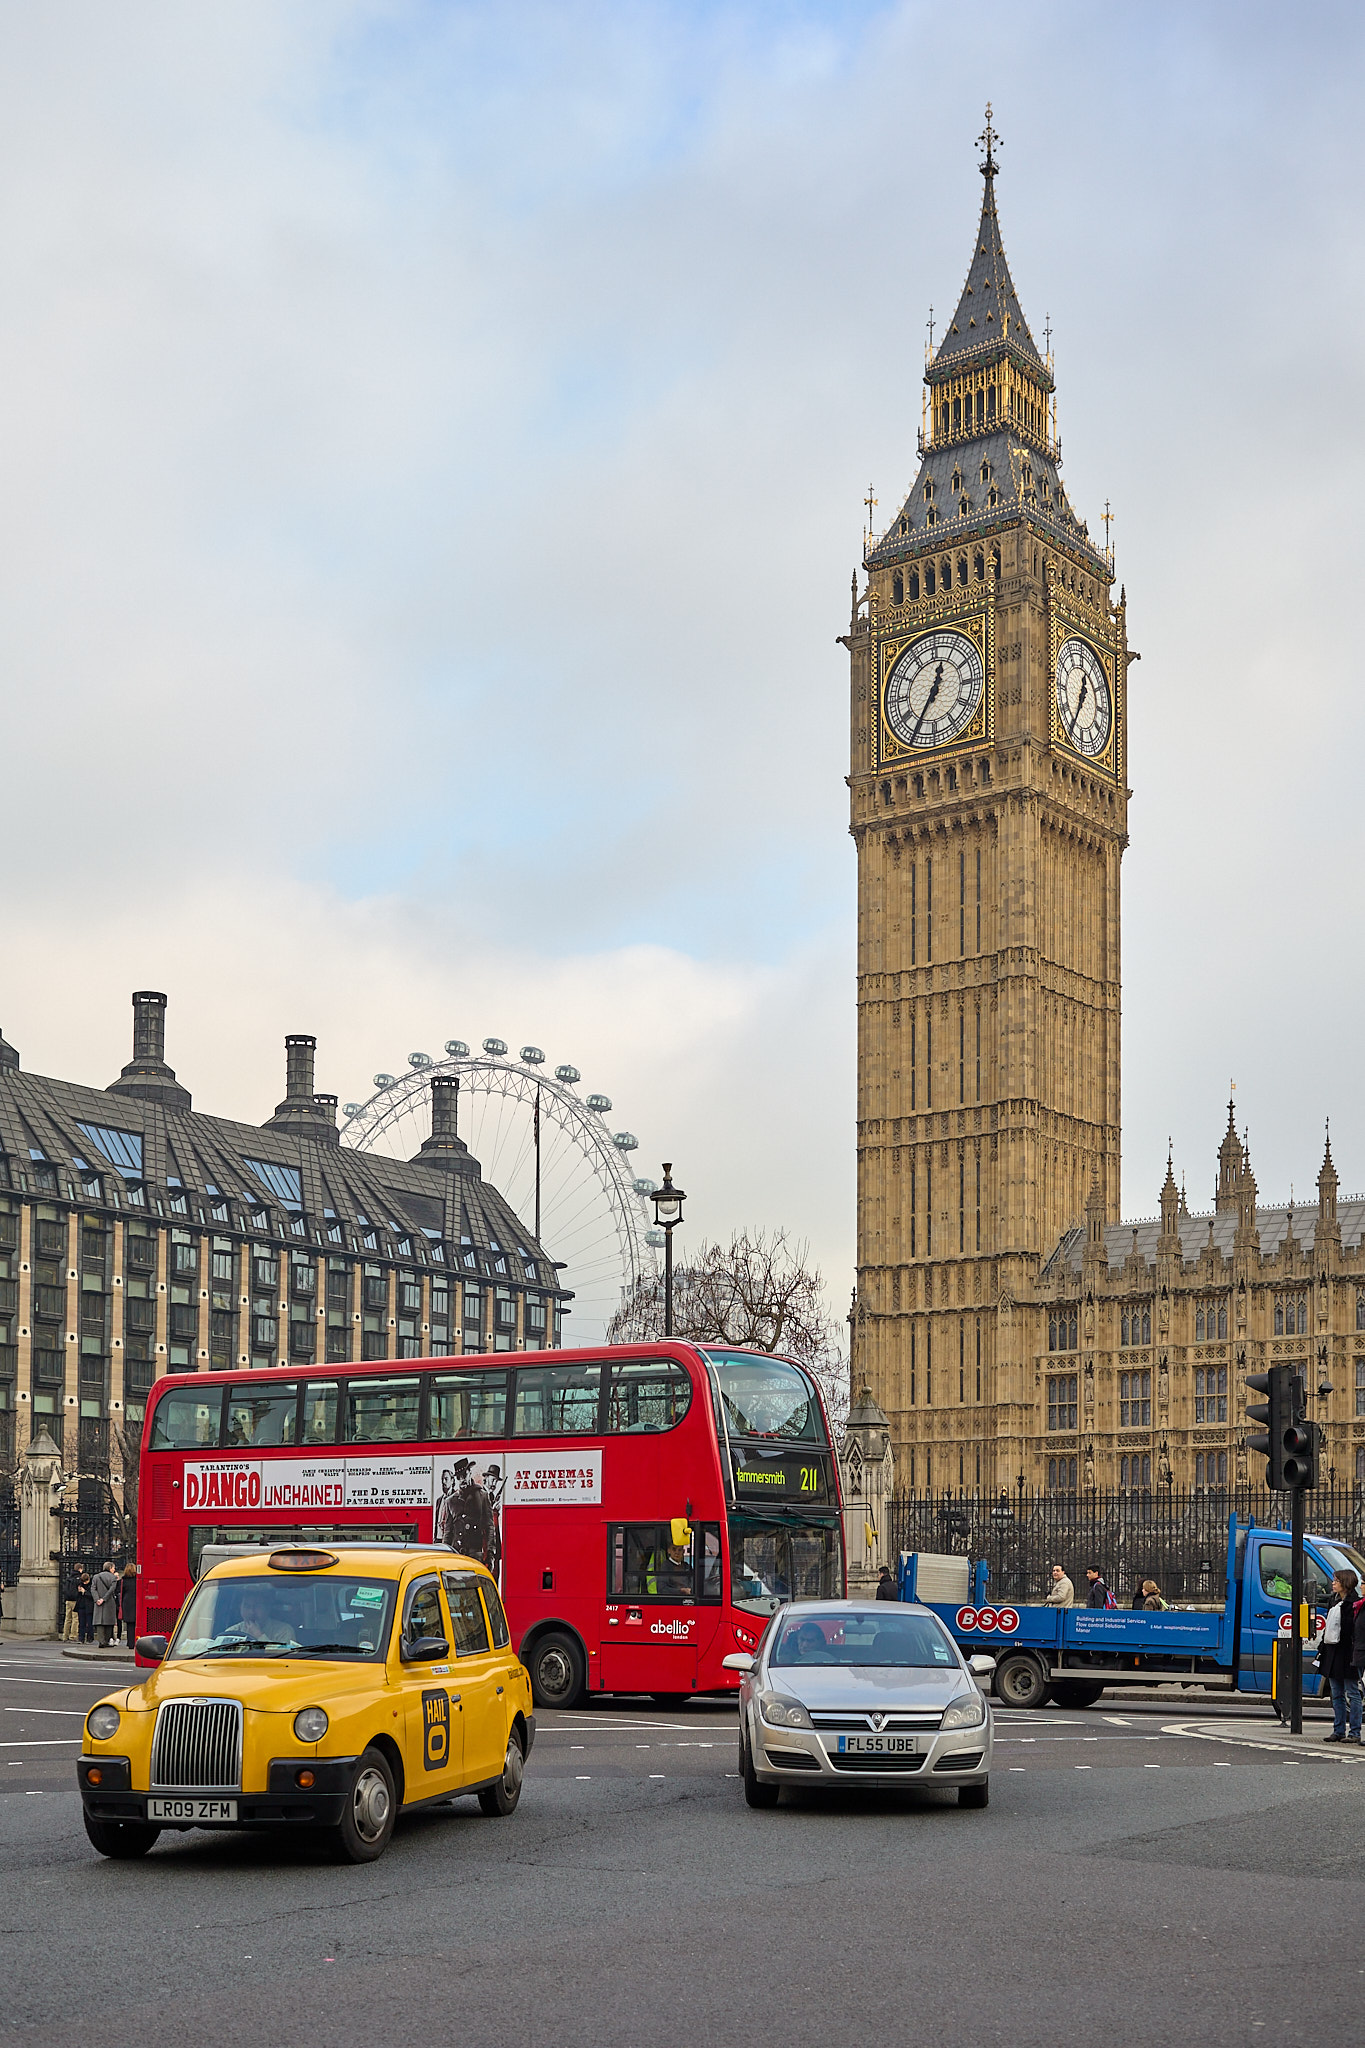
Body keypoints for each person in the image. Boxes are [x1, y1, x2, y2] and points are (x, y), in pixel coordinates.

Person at [1320, 1568, 1361, 1744]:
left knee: (1352, 1693)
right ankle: (1338, 1730)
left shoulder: (1355, 1604)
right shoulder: (1333, 1601)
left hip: (1348, 1653)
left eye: (1336, 1580)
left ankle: (1355, 1732)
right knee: (1336, 1693)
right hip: (1333, 1652)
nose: (1333, 1583)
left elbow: (1355, 1630)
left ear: (1345, 1583)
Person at [90, 1560, 121, 1647]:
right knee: (109, 1622)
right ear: (110, 1568)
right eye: (113, 1568)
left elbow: (93, 1589)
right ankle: (107, 1640)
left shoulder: (96, 1577)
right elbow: (112, 1590)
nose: (114, 1570)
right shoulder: (113, 1578)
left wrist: (97, 1599)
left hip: (98, 1602)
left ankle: (101, 1641)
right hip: (109, 1601)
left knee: (99, 1621)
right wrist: (104, 1599)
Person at [74, 1570, 94, 1644]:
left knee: (90, 1623)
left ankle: (90, 1638)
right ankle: (81, 1638)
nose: (84, 1583)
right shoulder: (80, 1584)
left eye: (85, 1582)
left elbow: (92, 1596)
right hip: (81, 1606)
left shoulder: (92, 1585)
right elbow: (76, 1596)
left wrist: (84, 1592)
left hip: (89, 1606)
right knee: (81, 1623)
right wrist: (79, 1592)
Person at [120, 1561, 137, 1645]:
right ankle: (136, 1640)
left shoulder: (123, 1580)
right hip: (136, 1601)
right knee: (136, 1623)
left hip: (127, 1602)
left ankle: (130, 1642)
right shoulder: (137, 1580)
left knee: (129, 1624)